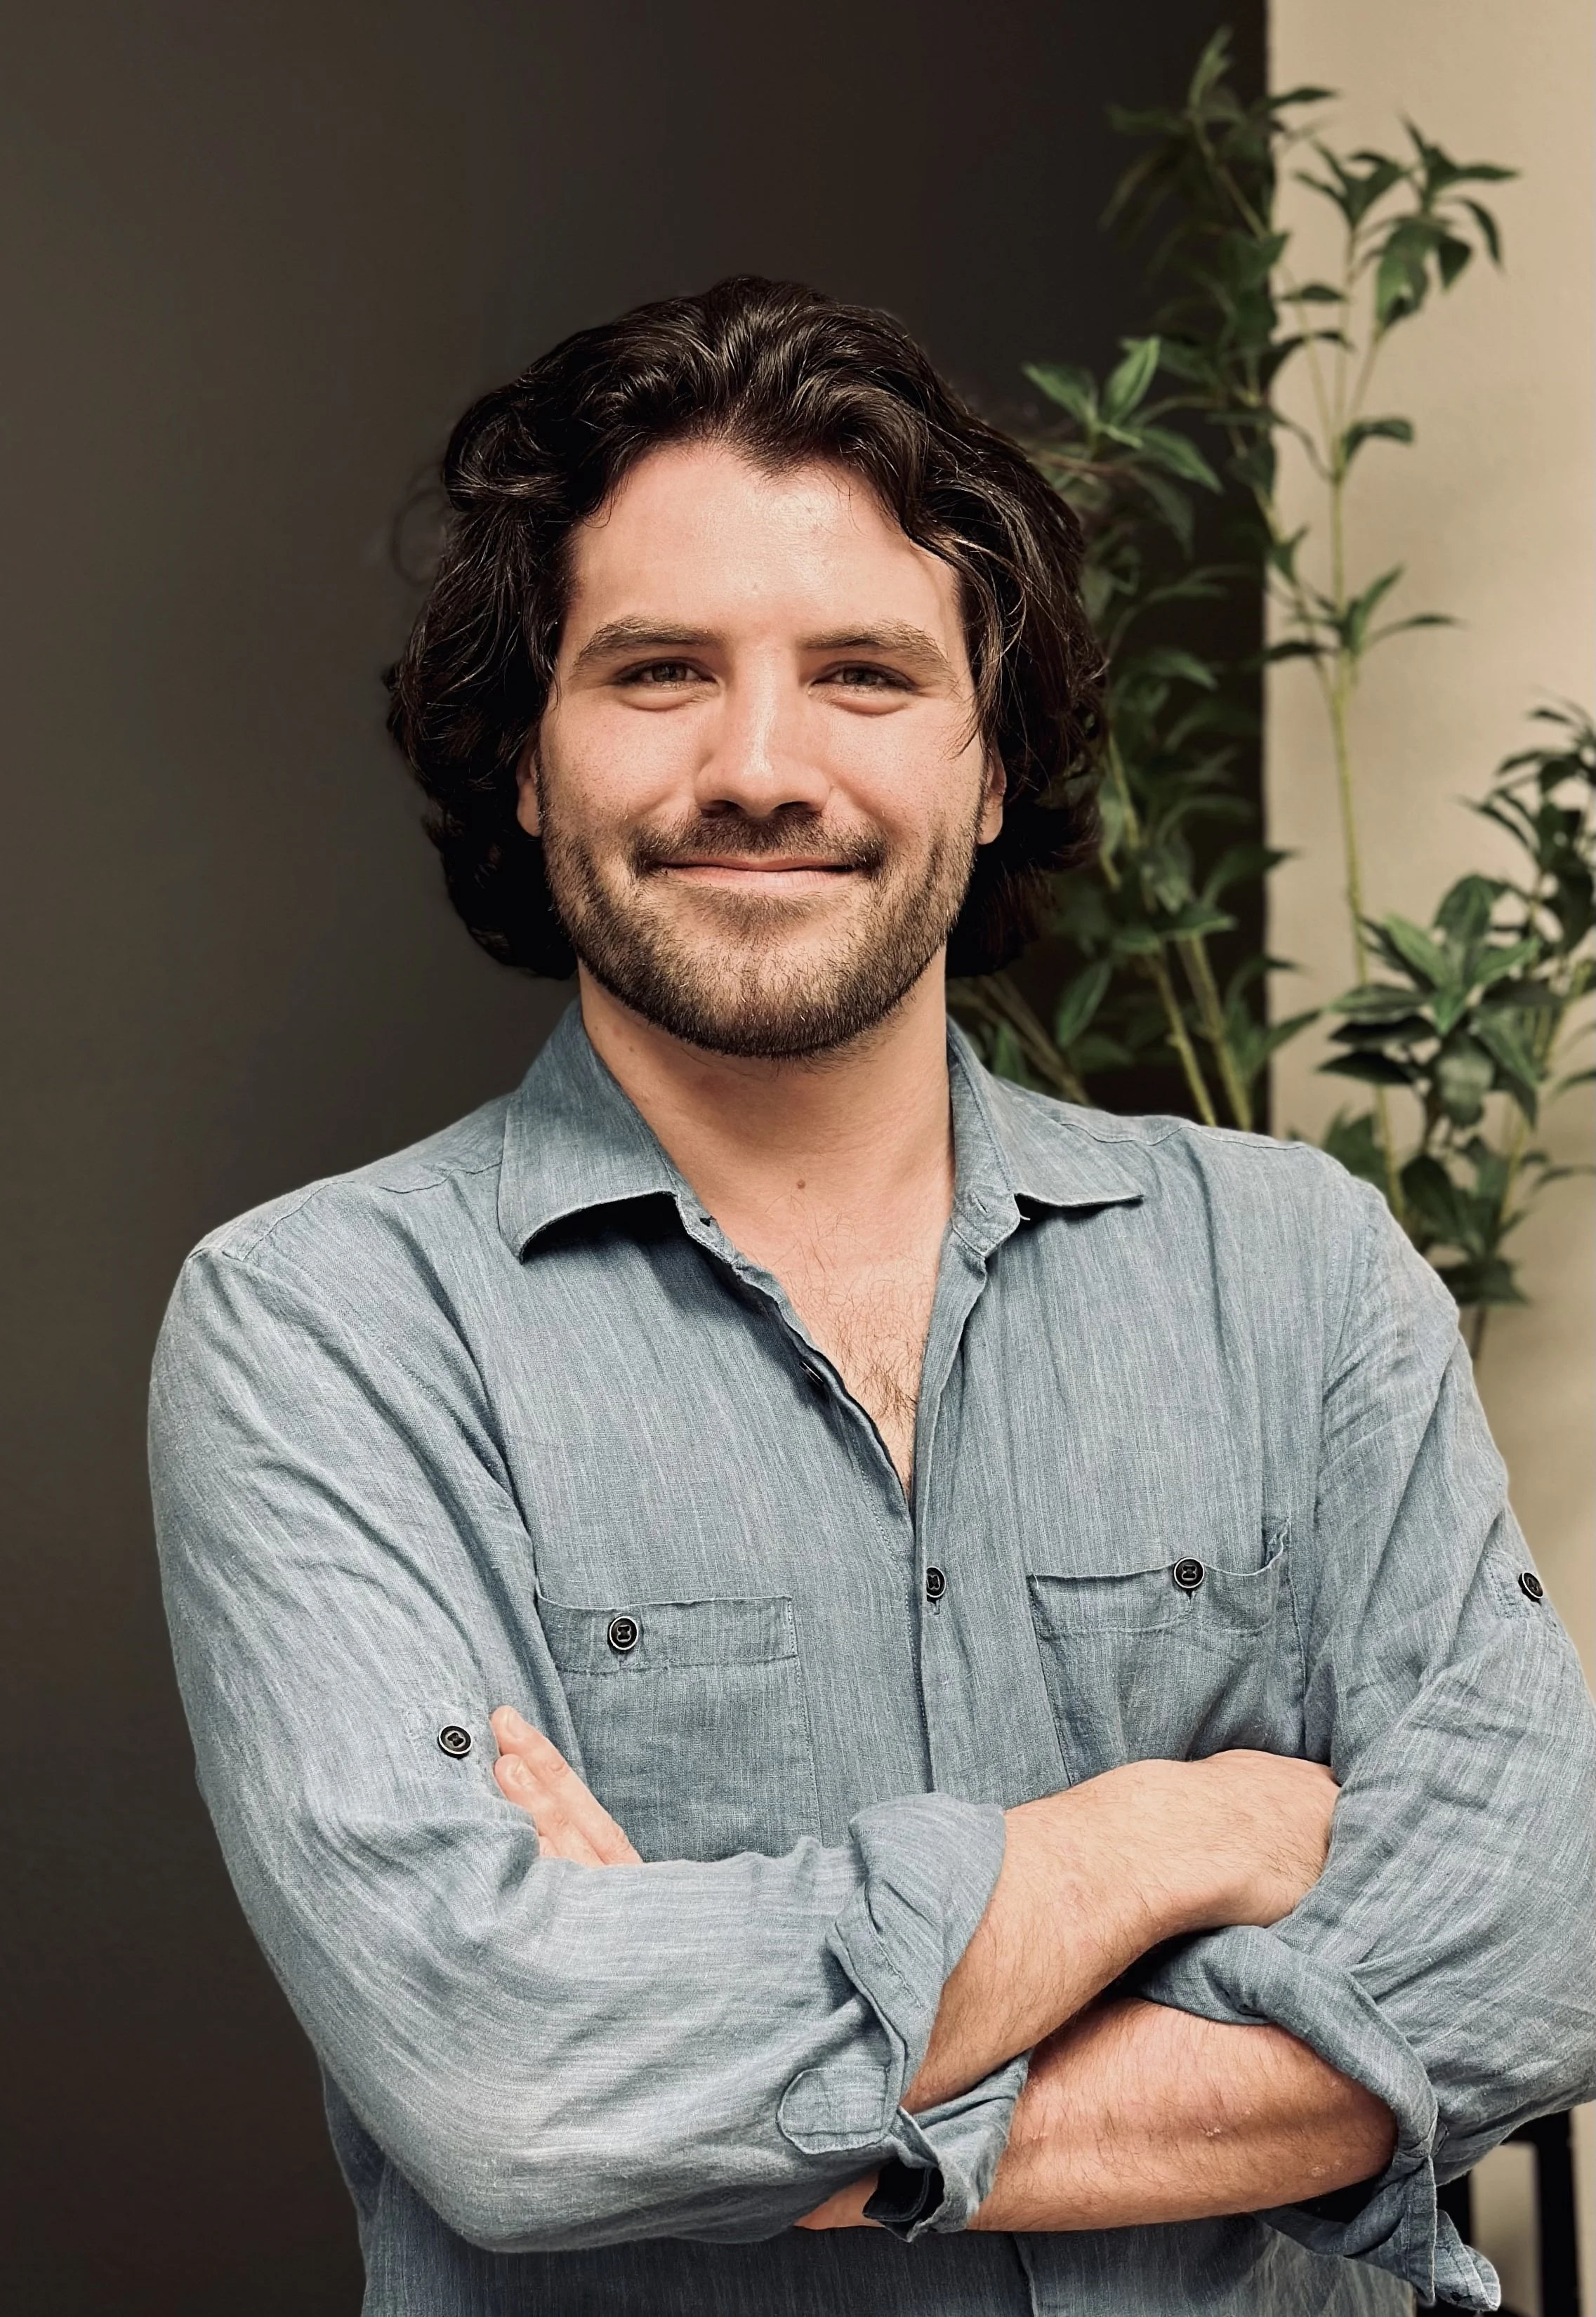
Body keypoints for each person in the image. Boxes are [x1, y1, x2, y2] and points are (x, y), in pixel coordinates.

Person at [150, 277, 1596, 2317]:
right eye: (657, 670)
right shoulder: (323, 1330)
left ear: (992, 765)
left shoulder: (1302, 1272)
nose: (761, 764)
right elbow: (512, 2085)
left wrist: (765, 2111)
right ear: (530, 760)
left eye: (863, 673)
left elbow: (1538, 1931)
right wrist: (1165, 1840)